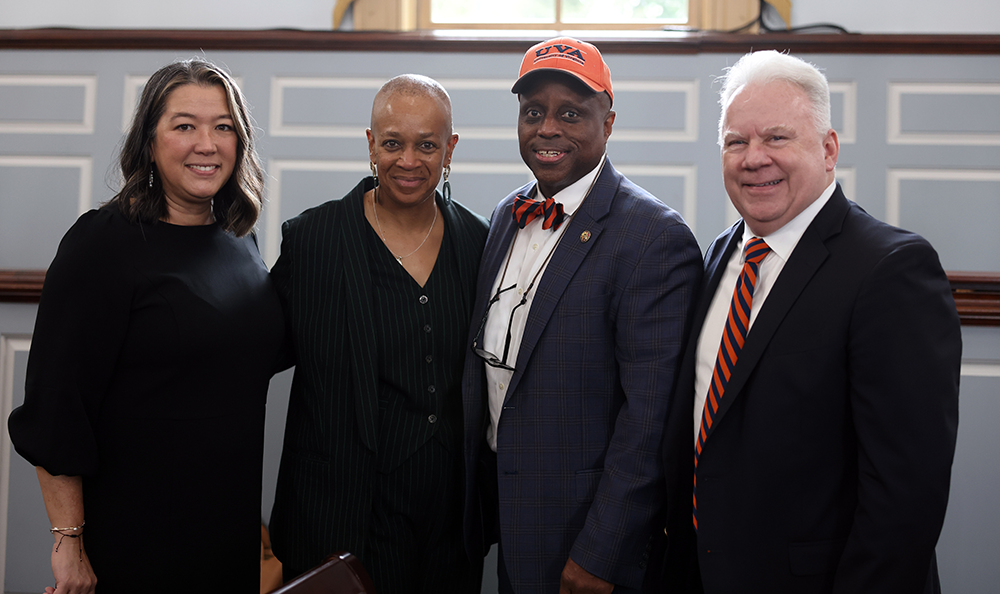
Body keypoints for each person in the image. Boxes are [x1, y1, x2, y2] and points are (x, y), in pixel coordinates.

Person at [660, 50, 962, 593]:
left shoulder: (892, 270)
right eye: (736, 141)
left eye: (776, 138)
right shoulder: (716, 257)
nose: (754, 159)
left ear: (827, 150)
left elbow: (904, 499)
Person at [7, 58, 283, 593]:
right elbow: (57, 406)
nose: (207, 143)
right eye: (185, 125)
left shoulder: (237, 240)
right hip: (136, 535)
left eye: (223, 126)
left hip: (227, 526)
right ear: (149, 142)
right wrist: (69, 545)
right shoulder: (101, 244)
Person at [461, 37, 703, 594]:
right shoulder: (507, 213)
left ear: (609, 123)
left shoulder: (652, 238)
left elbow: (648, 423)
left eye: (571, 113)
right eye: (533, 112)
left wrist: (601, 553)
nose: (547, 128)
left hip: (584, 539)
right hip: (507, 519)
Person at [267, 74, 488, 594]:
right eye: (392, 143)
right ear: (371, 144)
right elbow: (247, 359)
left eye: (426, 145)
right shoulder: (313, 240)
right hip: (343, 516)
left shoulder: (480, 242)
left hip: (448, 525)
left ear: (450, 148)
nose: (408, 161)